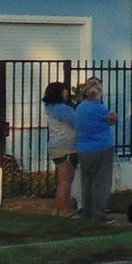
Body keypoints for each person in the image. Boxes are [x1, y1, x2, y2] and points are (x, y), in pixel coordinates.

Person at [74, 77, 118, 223]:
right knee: (101, 182)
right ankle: (99, 214)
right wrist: (114, 116)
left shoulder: (80, 107)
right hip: (102, 147)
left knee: (86, 181)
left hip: (84, 148)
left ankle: (86, 212)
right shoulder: (99, 108)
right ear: (96, 93)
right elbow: (111, 120)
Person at [41, 82, 77, 217]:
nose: (66, 93)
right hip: (67, 147)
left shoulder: (50, 108)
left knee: (62, 181)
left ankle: (56, 209)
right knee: (66, 181)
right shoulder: (62, 109)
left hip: (55, 146)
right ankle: (64, 211)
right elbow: (76, 122)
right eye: (64, 91)